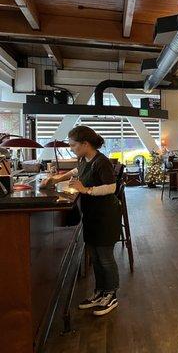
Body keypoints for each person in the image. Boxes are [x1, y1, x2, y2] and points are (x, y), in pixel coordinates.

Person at [40, 126, 122, 316]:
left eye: (73, 145)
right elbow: (78, 170)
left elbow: (111, 187)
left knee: (105, 257)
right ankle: (100, 292)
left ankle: (111, 294)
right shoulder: (84, 158)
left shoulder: (102, 162)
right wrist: (56, 178)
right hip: (92, 214)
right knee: (94, 254)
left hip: (105, 215)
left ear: (85, 144)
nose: (71, 148)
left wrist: (85, 190)